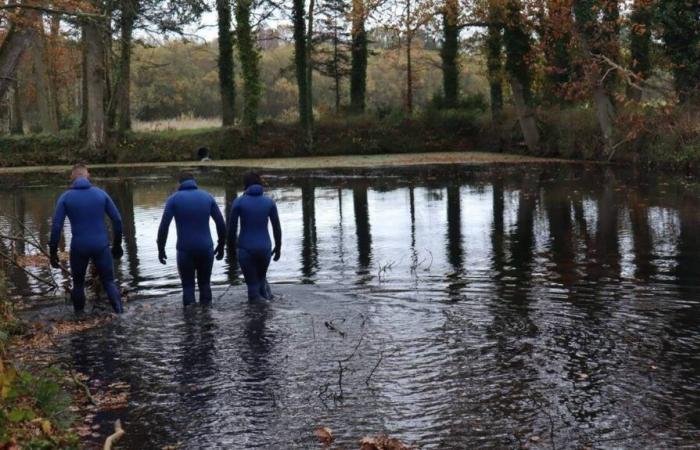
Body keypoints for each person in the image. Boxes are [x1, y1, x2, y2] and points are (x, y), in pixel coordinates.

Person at [49, 164, 124, 314]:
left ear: (72, 177)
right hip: (101, 245)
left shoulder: (65, 197)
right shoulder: (101, 194)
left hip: (79, 246)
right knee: (109, 282)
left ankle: (79, 319)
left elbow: (57, 227)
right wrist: (117, 245)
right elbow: (117, 221)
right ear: (87, 175)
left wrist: (53, 253)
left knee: (78, 284)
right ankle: (120, 314)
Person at [157, 172, 226, 305]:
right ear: (195, 182)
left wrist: (161, 249)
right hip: (206, 249)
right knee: (205, 284)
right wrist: (221, 245)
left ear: (179, 184)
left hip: (185, 250)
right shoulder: (208, 197)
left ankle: (189, 322)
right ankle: (207, 319)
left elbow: (164, 227)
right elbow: (221, 224)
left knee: (188, 287)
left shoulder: (173, 199)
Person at [228, 172, 282, 301]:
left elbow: (231, 230)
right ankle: (267, 311)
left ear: (245, 185)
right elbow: (276, 227)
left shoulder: (239, 202)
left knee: (252, 286)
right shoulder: (269, 202)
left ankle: (258, 314)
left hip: (246, 248)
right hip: (265, 248)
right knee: (262, 280)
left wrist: (231, 251)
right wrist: (278, 247)